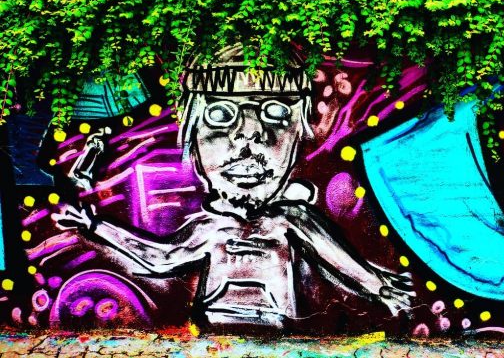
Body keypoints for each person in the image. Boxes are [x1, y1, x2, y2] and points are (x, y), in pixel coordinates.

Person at [52, 46, 413, 330]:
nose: (250, 135)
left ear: (298, 133)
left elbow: (337, 258)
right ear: (193, 138)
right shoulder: (211, 228)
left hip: (278, 327)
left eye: (275, 113)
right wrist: (95, 226)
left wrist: (379, 287)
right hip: (215, 323)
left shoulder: (290, 220)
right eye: (221, 115)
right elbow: (161, 259)